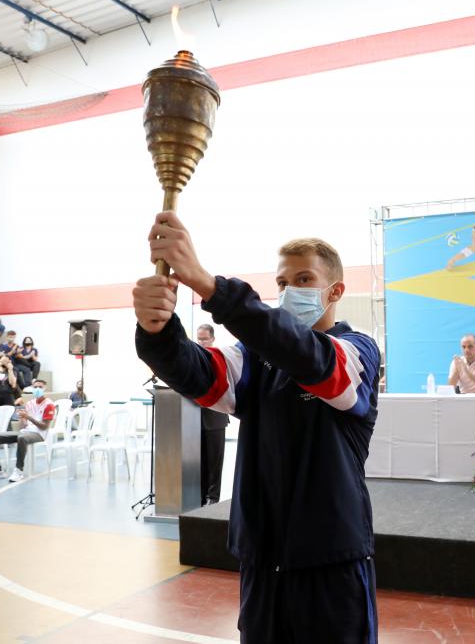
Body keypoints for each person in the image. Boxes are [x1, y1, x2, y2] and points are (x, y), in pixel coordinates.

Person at [133, 212, 380, 643]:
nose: (289, 292)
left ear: (335, 290)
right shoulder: (253, 359)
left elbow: (311, 358)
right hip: (261, 558)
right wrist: (158, 331)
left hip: (331, 558)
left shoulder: (357, 352)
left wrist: (210, 286)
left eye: (303, 279)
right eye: (282, 283)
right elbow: (197, 372)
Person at [0, 378, 54, 483]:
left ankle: (19, 470)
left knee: (22, 438)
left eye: (40, 387)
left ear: (45, 389)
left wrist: (28, 417)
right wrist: (22, 418)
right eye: (35, 387)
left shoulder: (49, 405)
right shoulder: (30, 403)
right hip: (25, 432)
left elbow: (44, 427)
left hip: (39, 434)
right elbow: (23, 427)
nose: (37, 389)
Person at [195, 323, 229, 506]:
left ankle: (212, 498)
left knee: (215, 461)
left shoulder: (218, 358)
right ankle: (200, 496)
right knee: (199, 461)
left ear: (213, 339)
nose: (200, 343)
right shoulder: (192, 359)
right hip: (193, 419)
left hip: (215, 418)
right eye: (198, 339)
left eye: (204, 339)